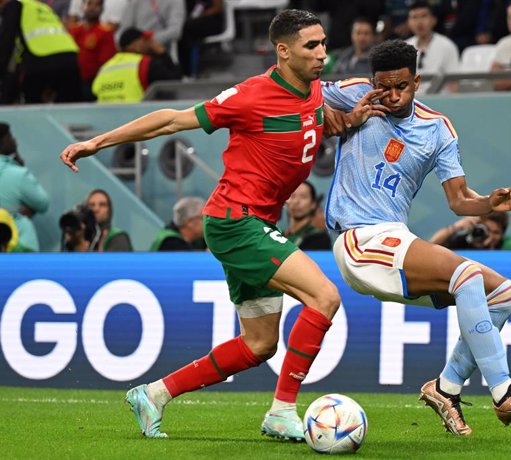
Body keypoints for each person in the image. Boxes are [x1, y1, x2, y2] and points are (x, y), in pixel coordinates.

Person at [59, 9, 375, 441]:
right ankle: (282, 410)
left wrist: (346, 121)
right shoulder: (251, 95)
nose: (323, 54)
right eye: (311, 46)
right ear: (283, 52)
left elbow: (315, 123)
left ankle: (154, 394)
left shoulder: (316, 92)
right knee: (323, 297)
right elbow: (171, 119)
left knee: (260, 345)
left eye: (323, 44)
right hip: (234, 222)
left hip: (258, 223)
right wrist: (97, 141)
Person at [322, 39, 511, 436]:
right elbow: (295, 99)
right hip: (358, 238)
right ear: (372, 81)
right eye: (383, 87)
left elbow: (460, 199)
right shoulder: (355, 93)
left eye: (402, 87)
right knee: (466, 275)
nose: (392, 96)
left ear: (417, 81)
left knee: (502, 294)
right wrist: (341, 121)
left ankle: (446, 388)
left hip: (393, 238)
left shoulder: (437, 129)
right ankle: (504, 393)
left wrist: (490, 203)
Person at [0, 0, 82, 103]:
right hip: (70, 58)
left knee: (33, 106)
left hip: (41, 59)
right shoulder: (42, 7)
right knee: (70, 108)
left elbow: (6, 42)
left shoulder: (14, 5)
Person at [92, 28, 182, 103]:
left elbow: (95, 91)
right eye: (145, 40)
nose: (151, 43)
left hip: (105, 118)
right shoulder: (145, 63)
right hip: (135, 117)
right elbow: (174, 80)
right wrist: (163, 53)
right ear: (136, 45)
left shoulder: (105, 67)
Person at [0, 123, 49, 251]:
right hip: (18, 247)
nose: (14, 139)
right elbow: (43, 203)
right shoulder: (18, 174)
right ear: (3, 142)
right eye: (10, 136)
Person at [405, 1, 461, 93]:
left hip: (440, 102)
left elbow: (454, 83)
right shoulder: (404, 47)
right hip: (413, 103)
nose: (419, 22)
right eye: (414, 17)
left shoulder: (447, 46)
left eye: (424, 16)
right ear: (408, 22)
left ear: (434, 20)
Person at [68, 0, 117, 101]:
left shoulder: (105, 32)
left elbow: (106, 62)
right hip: (71, 81)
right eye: (89, 3)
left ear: (102, 9)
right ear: (82, 7)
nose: (92, 8)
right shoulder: (73, 30)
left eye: (97, 5)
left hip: (93, 82)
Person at [117, 0, 185, 53]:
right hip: (137, 57)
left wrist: (147, 42)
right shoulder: (135, 1)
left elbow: (175, 31)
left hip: (162, 55)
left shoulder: (175, 1)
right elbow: (124, 29)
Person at [430, 211, 511, 249]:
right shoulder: (463, 240)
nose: (490, 236)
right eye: (487, 230)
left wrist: (490, 249)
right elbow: (432, 245)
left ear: (502, 235)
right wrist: (455, 227)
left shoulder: (507, 246)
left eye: (496, 232)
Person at [284, 181, 331, 250]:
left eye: (303, 197)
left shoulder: (319, 238)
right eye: (292, 196)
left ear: (313, 204)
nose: (296, 201)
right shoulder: (278, 235)